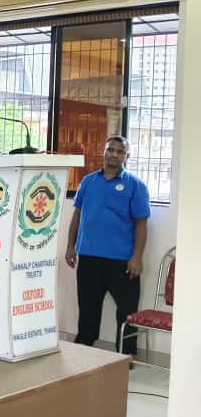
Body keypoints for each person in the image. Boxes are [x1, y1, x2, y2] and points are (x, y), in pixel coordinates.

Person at [65, 135, 150, 357]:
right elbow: (77, 215)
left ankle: (126, 354)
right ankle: (84, 347)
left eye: (120, 151)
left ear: (127, 156)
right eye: (110, 149)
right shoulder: (88, 182)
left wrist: (137, 257)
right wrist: (70, 246)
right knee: (88, 307)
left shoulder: (136, 186)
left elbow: (141, 224)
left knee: (127, 311)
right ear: (103, 152)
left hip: (121, 260)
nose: (114, 154)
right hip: (89, 257)